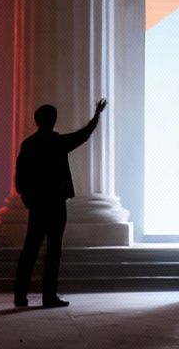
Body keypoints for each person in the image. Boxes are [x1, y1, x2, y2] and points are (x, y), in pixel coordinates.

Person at [13, 97, 108, 309]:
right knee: (53, 251)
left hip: (38, 205)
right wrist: (96, 115)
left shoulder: (29, 144)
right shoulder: (57, 143)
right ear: (52, 120)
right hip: (56, 204)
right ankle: (49, 296)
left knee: (30, 249)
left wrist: (27, 198)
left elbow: (20, 176)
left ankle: (20, 296)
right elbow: (83, 135)